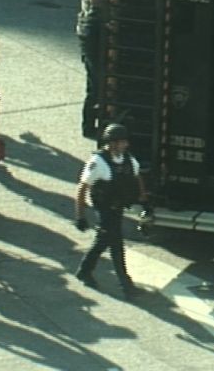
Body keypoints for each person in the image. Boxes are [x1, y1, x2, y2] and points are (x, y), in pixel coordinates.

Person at [74, 123, 147, 299]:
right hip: (105, 208)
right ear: (112, 143)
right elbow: (82, 188)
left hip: (119, 206)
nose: (125, 145)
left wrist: (144, 200)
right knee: (116, 244)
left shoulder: (128, 160)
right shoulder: (98, 162)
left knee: (103, 240)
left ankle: (84, 270)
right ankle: (126, 285)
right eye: (121, 142)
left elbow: (137, 179)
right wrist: (80, 216)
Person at [76, 0, 104, 138]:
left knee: (92, 91)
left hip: (89, 54)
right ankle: (89, 126)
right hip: (94, 58)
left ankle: (89, 125)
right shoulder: (93, 23)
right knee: (94, 91)